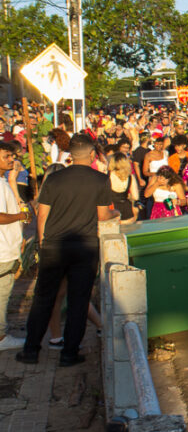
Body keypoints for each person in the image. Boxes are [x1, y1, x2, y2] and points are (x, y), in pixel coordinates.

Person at [18, 134, 117, 366]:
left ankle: (31, 351)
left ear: (70, 155)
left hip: (54, 244)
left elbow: (42, 215)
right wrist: (117, 214)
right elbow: (103, 215)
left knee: (43, 298)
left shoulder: (54, 179)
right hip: (84, 246)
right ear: (92, 154)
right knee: (78, 301)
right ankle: (69, 354)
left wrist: (43, 244)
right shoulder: (100, 179)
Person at [0, 142, 28, 352]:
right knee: (2, 294)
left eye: (11, 155)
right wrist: (23, 215)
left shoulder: (4, 181)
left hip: (7, 246)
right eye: (6, 156)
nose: (12, 159)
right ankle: (1, 337)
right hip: (2, 250)